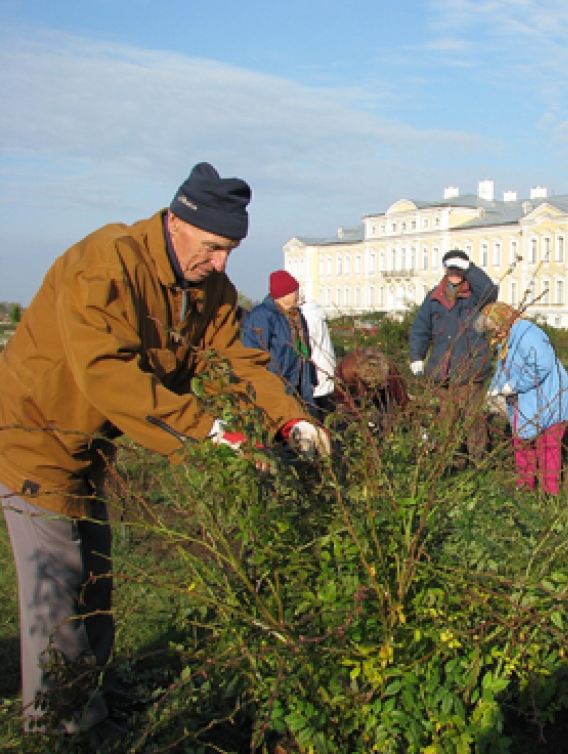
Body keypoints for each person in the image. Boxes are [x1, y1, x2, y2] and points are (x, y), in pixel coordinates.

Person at [0, 163, 330, 739]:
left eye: (231, 249)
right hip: (33, 435)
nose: (222, 261)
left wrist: (292, 420)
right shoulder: (105, 264)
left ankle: (87, 697)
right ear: (175, 222)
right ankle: (61, 728)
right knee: (56, 584)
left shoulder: (208, 289)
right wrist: (207, 434)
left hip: (90, 446)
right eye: (213, 246)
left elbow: (242, 362)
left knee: (95, 579)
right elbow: (108, 376)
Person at [478, 303, 568, 494]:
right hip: (526, 404)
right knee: (523, 446)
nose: (493, 334)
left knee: (548, 448)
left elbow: (542, 365)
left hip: (547, 401)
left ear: (503, 321)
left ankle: (550, 494)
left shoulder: (529, 335)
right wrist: (494, 388)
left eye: (494, 329)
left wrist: (515, 385)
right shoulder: (508, 338)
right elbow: (503, 368)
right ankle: (525, 491)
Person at [409, 250, 496, 466]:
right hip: (442, 371)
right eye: (451, 269)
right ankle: (453, 462)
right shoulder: (434, 298)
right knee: (447, 419)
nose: (455, 274)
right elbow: (420, 329)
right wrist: (416, 357)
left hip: (470, 369)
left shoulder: (475, 296)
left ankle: (478, 463)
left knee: (472, 419)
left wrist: (471, 267)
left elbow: (491, 291)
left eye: (459, 270)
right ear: (445, 270)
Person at [243, 271, 318, 413]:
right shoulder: (262, 317)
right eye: (295, 291)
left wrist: (311, 381)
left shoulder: (297, 316)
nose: (298, 295)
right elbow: (254, 354)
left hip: (300, 390)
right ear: (285, 294)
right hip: (276, 390)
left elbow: (305, 351)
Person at [334, 348, 410, 429]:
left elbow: (402, 398)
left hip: (380, 399)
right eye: (376, 385)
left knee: (383, 424)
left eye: (382, 384)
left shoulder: (390, 370)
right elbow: (339, 395)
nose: (381, 386)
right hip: (354, 397)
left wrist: (414, 420)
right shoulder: (347, 373)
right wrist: (358, 414)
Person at [301, 298, 338, 421]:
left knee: (316, 414)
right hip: (327, 367)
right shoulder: (318, 314)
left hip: (315, 370)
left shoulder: (306, 318)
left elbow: (306, 346)